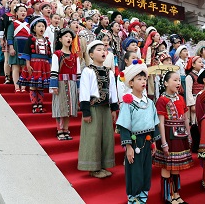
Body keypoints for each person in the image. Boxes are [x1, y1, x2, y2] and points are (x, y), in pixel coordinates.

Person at [116, 61, 160, 204]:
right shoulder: (128, 103)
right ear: (130, 82)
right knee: (135, 172)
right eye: (139, 79)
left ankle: (143, 197)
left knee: (146, 170)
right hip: (134, 141)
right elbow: (124, 125)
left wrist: (153, 143)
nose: (143, 82)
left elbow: (154, 123)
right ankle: (133, 198)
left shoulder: (149, 102)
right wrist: (128, 147)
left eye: (144, 79)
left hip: (147, 141)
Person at [78, 40, 119, 178]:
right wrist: (85, 111)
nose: (103, 52)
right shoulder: (88, 71)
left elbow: (113, 90)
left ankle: (103, 165)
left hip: (105, 108)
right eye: (99, 50)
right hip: (93, 108)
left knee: (106, 136)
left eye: (104, 50)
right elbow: (84, 91)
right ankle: (93, 167)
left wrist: (114, 108)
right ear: (91, 54)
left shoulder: (110, 72)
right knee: (93, 137)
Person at [153, 71, 193, 204]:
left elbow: (185, 118)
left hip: (180, 135)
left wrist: (189, 134)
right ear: (165, 83)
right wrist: (163, 142)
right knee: (167, 165)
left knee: (176, 166)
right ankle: (168, 196)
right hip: (168, 135)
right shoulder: (162, 100)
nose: (178, 83)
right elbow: (161, 123)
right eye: (174, 80)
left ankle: (176, 194)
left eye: (178, 80)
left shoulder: (181, 98)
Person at [49, 28, 79, 141]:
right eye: (66, 36)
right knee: (60, 107)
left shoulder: (75, 56)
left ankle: (66, 129)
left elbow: (78, 72)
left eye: (70, 37)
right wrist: (54, 85)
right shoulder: (57, 54)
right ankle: (59, 130)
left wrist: (79, 87)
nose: (69, 39)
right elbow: (54, 70)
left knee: (69, 108)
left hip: (72, 83)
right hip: (61, 83)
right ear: (60, 39)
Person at [18, 16, 52, 113]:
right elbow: (27, 53)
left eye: (43, 26)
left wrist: (50, 67)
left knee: (40, 86)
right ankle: (34, 104)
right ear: (34, 28)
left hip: (44, 65)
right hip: (34, 64)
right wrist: (28, 65)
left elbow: (49, 55)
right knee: (33, 85)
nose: (41, 28)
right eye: (39, 26)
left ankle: (40, 104)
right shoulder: (30, 39)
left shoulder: (47, 41)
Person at [7, 3, 29, 93]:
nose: (23, 12)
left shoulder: (28, 24)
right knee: (15, 67)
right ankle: (17, 87)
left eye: (24, 11)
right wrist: (11, 47)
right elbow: (9, 36)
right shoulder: (13, 23)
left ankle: (23, 87)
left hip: (25, 46)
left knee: (24, 67)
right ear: (16, 13)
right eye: (21, 11)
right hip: (16, 45)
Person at [184, 56, 204, 152]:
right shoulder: (190, 76)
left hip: (200, 101)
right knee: (194, 123)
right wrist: (192, 104)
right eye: (199, 62)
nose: (201, 64)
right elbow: (188, 92)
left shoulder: (200, 76)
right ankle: (195, 146)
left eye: (202, 62)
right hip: (194, 100)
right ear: (193, 64)